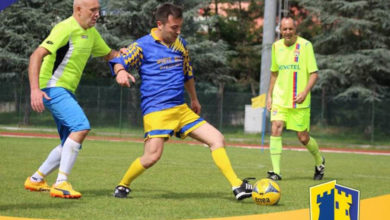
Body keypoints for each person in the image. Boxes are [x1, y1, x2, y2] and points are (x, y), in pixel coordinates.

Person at [109, 3, 253, 200]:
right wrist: (121, 72)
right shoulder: (142, 46)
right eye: (174, 27)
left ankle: (237, 186)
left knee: (217, 139)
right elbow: (119, 61)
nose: (178, 31)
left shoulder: (181, 44)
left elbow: (188, 73)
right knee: (152, 156)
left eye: (180, 27)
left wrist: (194, 98)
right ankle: (123, 185)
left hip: (181, 109)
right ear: (160, 24)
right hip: (157, 110)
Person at [24, 0, 126, 199]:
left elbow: (110, 55)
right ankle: (61, 183)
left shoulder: (92, 33)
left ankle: (36, 179)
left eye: (99, 10)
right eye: (93, 10)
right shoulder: (65, 28)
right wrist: (35, 89)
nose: (97, 14)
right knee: (81, 127)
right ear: (78, 10)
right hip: (52, 88)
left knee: (68, 141)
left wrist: (123, 59)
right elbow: (36, 55)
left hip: (64, 90)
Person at [266, 16, 325, 181]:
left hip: (299, 100)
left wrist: (305, 92)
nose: (287, 32)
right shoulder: (276, 47)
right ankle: (276, 171)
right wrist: (269, 95)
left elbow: (314, 74)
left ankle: (319, 161)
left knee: (303, 137)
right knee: (276, 127)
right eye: (284, 29)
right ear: (280, 30)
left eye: (290, 29)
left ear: (295, 30)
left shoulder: (306, 46)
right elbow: (274, 73)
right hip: (280, 98)